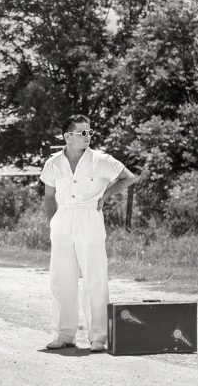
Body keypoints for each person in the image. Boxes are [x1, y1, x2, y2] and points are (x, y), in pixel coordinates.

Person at [40, 114, 136, 352]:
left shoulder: (101, 160)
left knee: (95, 278)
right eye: (82, 133)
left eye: (90, 132)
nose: (88, 136)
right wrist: (53, 224)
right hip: (63, 219)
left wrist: (105, 195)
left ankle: (98, 337)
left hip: (89, 217)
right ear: (67, 137)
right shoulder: (53, 163)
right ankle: (64, 335)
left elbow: (128, 177)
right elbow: (49, 197)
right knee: (61, 279)